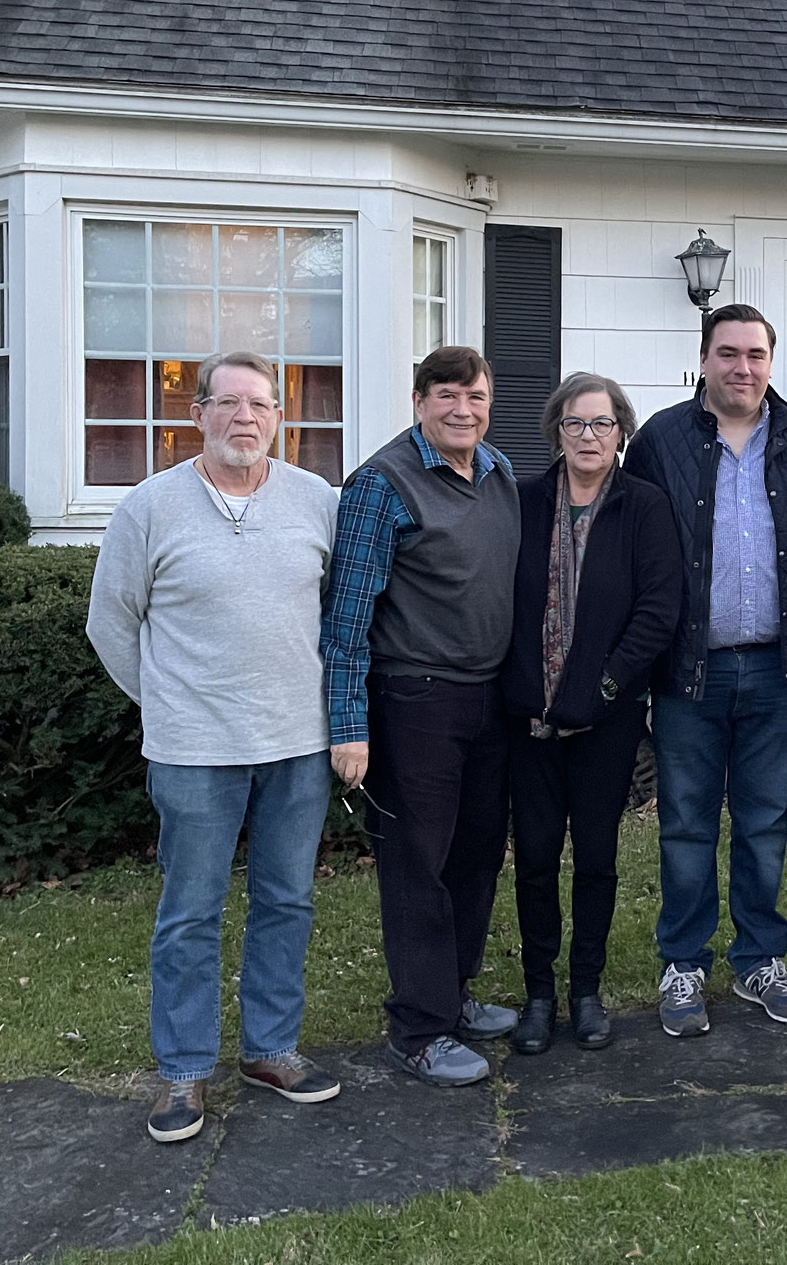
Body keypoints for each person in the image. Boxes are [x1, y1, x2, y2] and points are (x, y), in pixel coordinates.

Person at [86, 351, 343, 1144]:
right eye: (227, 403)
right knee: (190, 913)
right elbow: (110, 624)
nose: (244, 418)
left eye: (260, 405)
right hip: (194, 753)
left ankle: (270, 1050)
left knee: (287, 901)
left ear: (279, 418)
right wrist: (168, 704)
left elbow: (341, 615)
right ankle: (184, 1070)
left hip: (298, 745)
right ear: (195, 415)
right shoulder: (149, 509)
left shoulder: (317, 503)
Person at [319, 345, 520, 1089]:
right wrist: (348, 725)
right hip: (414, 701)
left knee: (473, 857)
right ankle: (419, 1028)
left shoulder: (497, 473)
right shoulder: (382, 483)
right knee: (417, 869)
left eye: (475, 395)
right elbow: (347, 614)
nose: (462, 409)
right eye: (446, 396)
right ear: (418, 401)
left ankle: (456, 996)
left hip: (489, 699)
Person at [625, 303, 787, 1035]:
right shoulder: (660, 441)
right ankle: (683, 961)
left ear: (772, 363)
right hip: (689, 671)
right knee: (684, 823)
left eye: (756, 355)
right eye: (728, 353)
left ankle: (758, 958)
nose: (742, 367)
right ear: (704, 359)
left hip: (779, 671)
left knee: (765, 822)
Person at [500, 373, 681, 1054]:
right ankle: (540, 994)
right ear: (557, 430)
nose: (588, 436)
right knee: (538, 858)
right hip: (530, 720)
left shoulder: (644, 507)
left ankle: (586, 991)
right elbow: (500, 604)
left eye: (602, 424)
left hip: (606, 718)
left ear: (621, 432)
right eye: (575, 423)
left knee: (597, 859)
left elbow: (658, 610)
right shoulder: (521, 504)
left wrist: (604, 687)